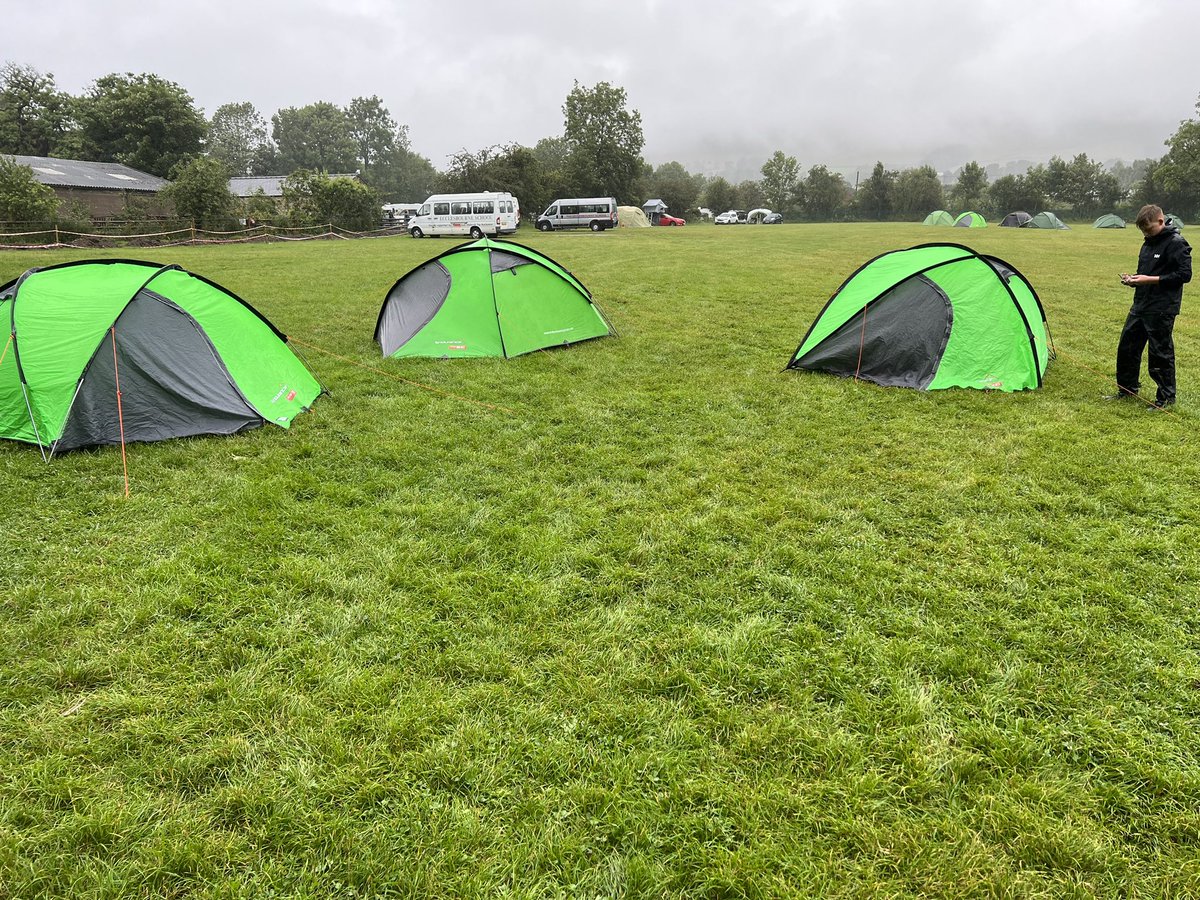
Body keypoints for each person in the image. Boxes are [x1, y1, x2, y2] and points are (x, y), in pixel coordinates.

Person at [1109, 204, 1191, 409]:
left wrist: (1150, 280)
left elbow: (1184, 275)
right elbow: (1145, 273)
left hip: (1162, 307)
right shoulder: (1148, 244)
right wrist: (1134, 280)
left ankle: (1166, 397)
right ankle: (1127, 389)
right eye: (1143, 230)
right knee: (1127, 347)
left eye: (1148, 229)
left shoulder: (1176, 243)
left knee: (1160, 353)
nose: (1145, 233)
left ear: (1161, 221)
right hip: (1141, 303)